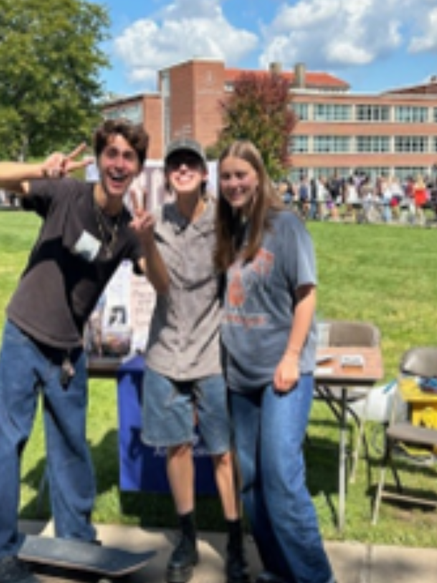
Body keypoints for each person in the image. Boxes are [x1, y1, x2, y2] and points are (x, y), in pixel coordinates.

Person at [0, 119, 148, 583]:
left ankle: (75, 540)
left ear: (137, 168)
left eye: (128, 157)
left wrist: (150, 242)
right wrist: (41, 168)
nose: (118, 163)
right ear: (98, 159)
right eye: (111, 153)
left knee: (72, 445)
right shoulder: (65, 193)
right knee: (7, 441)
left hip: (69, 350)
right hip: (25, 333)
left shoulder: (129, 231)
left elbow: (163, 280)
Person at [213, 141, 334, 583]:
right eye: (226, 176)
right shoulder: (231, 229)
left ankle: (316, 577)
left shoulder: (285, 227)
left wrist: (289, 357)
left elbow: (307, 295)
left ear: (259, 177)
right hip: (239, 375)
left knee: (281, 477)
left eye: (241, 174)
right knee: (251, 480)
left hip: (283, 374)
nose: (233, 184)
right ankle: (279, 571)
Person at [129, 138, 248, 583]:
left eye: (190, 163)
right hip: (164, 352)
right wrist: (145, 241)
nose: (182, 169)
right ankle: (186, 537)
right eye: (175, 163)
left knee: (221, 451)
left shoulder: (224, 219)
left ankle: (235, 540)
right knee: (176, 447)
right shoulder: (152, 221)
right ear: (168, 174)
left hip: (212, 353)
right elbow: (159, 284)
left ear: (203, 173)